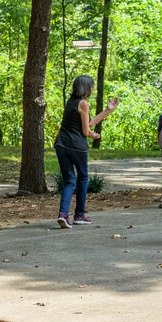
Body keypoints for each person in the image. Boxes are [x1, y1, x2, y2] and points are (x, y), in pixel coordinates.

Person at [54, 75, 119, 229]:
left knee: (69, 180)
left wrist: (107, 111)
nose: (93, 89)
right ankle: (79, 215)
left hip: (61, 144)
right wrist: (92, 134)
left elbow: (88, 123)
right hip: (77, 146)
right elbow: (85, 130)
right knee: (83, 178)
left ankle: (63, 215)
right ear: (87, 88)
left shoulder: (71, 102)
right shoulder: (84, 103)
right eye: (92, 86)